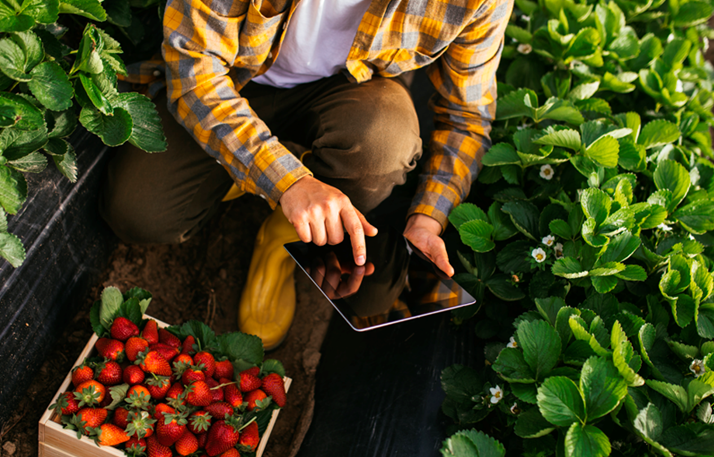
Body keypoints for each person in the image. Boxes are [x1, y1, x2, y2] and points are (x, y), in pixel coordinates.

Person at [99, 0, 512, 349]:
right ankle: (265, 182)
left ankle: (282, 236)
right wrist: (287, 181)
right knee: (139, 210)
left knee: (383, 150)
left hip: (348, 95)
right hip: (234, 80)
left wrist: (428, 217)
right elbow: (195, 72)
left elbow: (466, 117)